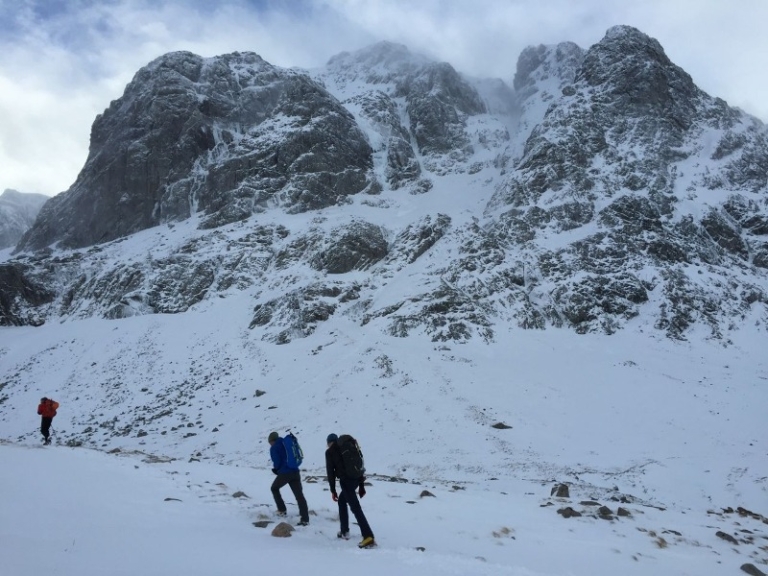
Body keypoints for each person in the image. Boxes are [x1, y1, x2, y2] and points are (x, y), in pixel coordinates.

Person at [325, 433, 375, 548]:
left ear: (329, 443)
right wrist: (361, 484)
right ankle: (344, 531)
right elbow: (358, 465)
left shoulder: (330, 452)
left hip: (346, 482)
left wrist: (333, 490)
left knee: (355, 508)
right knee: (342, 501)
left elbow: (330, 472)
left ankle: (368, 536)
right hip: (356, 479)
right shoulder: (347, 446)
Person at [268, 431, 310, 526]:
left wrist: (276, 469)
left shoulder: (274, 447)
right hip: (295, 471)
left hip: (285, 473)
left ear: (272, 441)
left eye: (269, 442)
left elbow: (277, 461)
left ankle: (282, 510)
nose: (269, 444)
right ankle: (305, 519)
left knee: (274, 488)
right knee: (299, 496)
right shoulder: (286, 443)